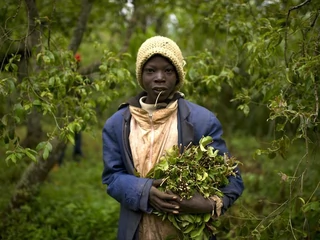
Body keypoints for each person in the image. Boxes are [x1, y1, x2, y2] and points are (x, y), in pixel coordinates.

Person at [102, 36, 244, 240]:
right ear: (140, 75)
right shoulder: (118, 123)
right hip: (136, 232)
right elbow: (112, 177)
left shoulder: (201, 120)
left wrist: (208, 204)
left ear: (178, 76)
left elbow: (233, 180)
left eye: (168, 70)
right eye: (151, 70)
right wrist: (145, 192)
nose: (159, 77)